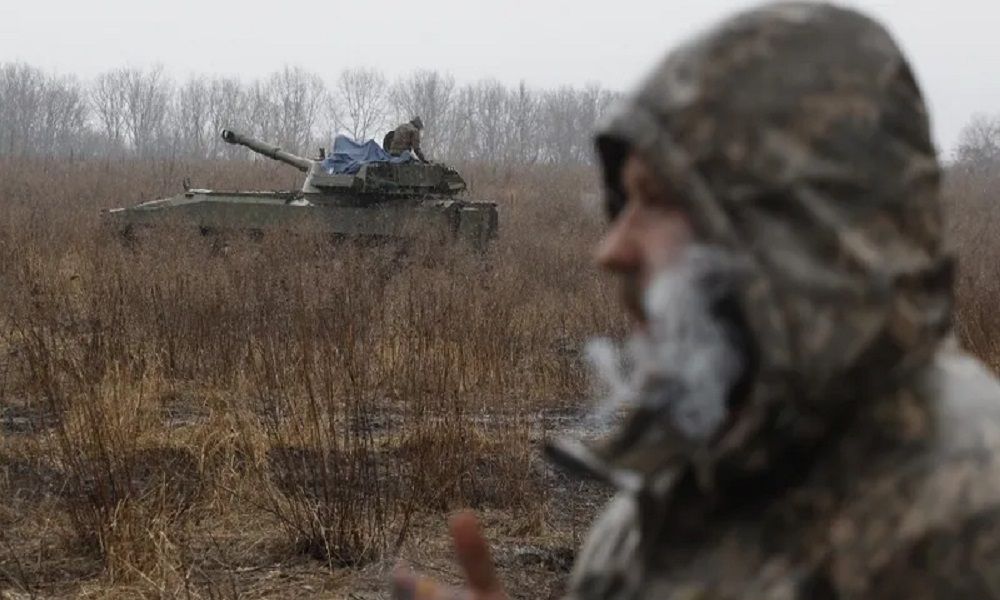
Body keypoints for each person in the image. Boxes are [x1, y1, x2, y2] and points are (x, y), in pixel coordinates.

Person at [394, 2, 1000, 599]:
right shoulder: (681, 491)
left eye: (658, 201)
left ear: (791, 231)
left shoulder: (966, 517)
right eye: (624, 201)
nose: (611, 249)